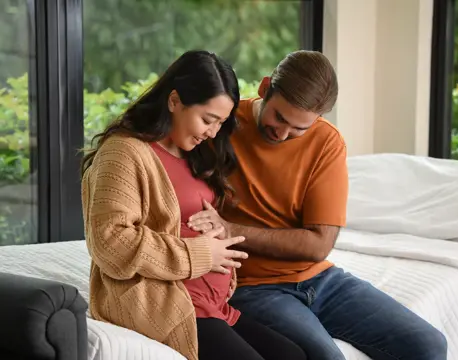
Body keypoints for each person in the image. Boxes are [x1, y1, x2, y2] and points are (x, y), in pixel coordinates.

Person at [187, 50, 449, 360]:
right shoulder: (221, 127)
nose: (282, 133)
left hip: (322, 279)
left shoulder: (327, 142)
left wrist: (232, 229)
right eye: (279, 117)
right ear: (265, 88)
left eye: (299, 128)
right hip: (253, 287)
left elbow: (318, 244)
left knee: (429, 344)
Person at [80, 50, 306, 360]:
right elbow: (111, 241)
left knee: (294, 356)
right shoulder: (124, 152)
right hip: (168, 304)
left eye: (220, 123)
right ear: (174, 101)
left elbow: (186, 222)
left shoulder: (196, 155)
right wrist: (201, 254)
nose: (213, 132)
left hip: (212, 304)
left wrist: (220, 236)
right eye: (208, 120)